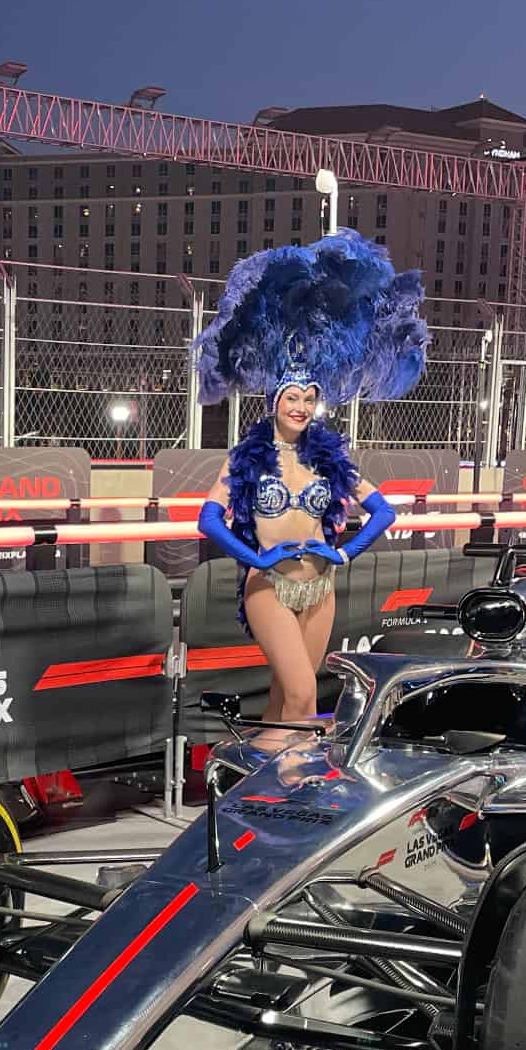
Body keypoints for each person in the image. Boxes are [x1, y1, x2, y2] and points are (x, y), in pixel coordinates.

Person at [192, 230, 428, 727]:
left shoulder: (329, 457)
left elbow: (384, 510)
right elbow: (208, 519)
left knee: (287, 703)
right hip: (270, 587)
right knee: (303, 699)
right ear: (273, 402)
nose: (300, 407)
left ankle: (267, 788)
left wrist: (342, 552)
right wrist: (255, 556)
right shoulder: (246, 457)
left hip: (321, 589)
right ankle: (291, 789)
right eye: (291, 398)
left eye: (308, 398)